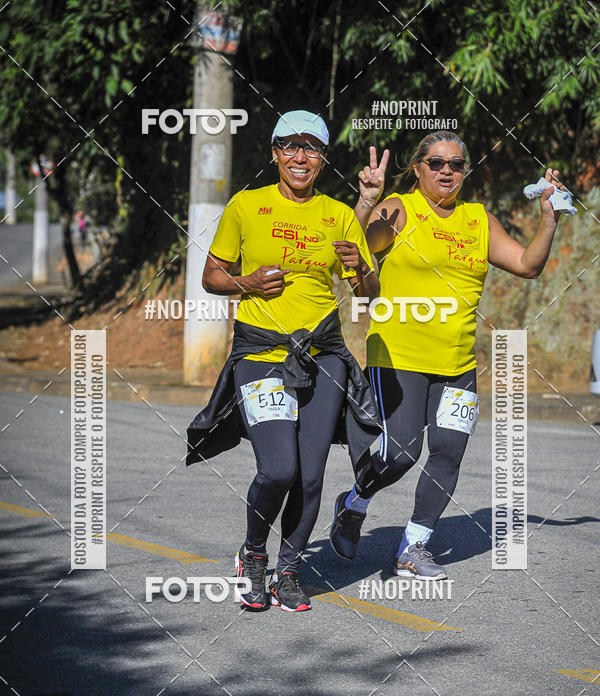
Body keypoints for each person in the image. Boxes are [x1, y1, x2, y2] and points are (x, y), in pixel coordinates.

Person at [330, 131, 568, 579]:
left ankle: (412, 547)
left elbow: (528, 265)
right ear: (418, 168)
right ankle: (353, 504)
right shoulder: (400, 208)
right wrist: (366, 201)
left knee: (448, 453)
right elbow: (360, 243)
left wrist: (549, 220)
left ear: (464, 171)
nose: (446, 171)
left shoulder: (478, 220)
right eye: (436, 162)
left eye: (456, 164)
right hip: (398, 356)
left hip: (457, 363)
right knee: (400, 454)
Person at [186, 111, 381, 612]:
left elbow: (368, 295)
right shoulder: (246, 206)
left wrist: (359, 267)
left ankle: (288, 569)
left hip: (324, 356)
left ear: (322, 159)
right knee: (278, 469)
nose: (300, 157)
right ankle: (253, 556)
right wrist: (247, 283)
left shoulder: (338, 214)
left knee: (311, 476)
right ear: (274, 153)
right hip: (261, 353)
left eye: (311, 148)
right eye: (290, 147)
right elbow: (212, 276)